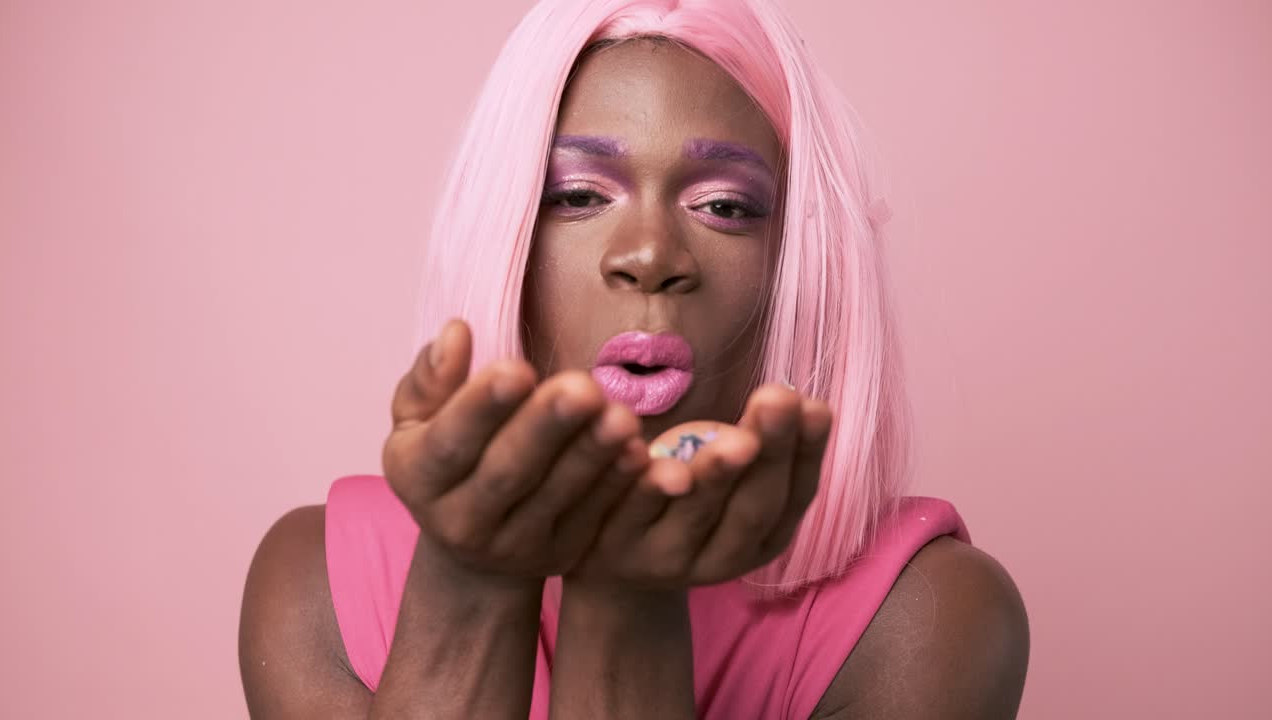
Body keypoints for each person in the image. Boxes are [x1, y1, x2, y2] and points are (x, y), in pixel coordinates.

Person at [238, 0, 1030, 717]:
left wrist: (627, 596)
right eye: (579, 195)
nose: (650, 255)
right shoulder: (318, 585)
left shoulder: (925, 619)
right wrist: (471, 577)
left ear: (799, 256)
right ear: (504, 228)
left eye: (723, 206)